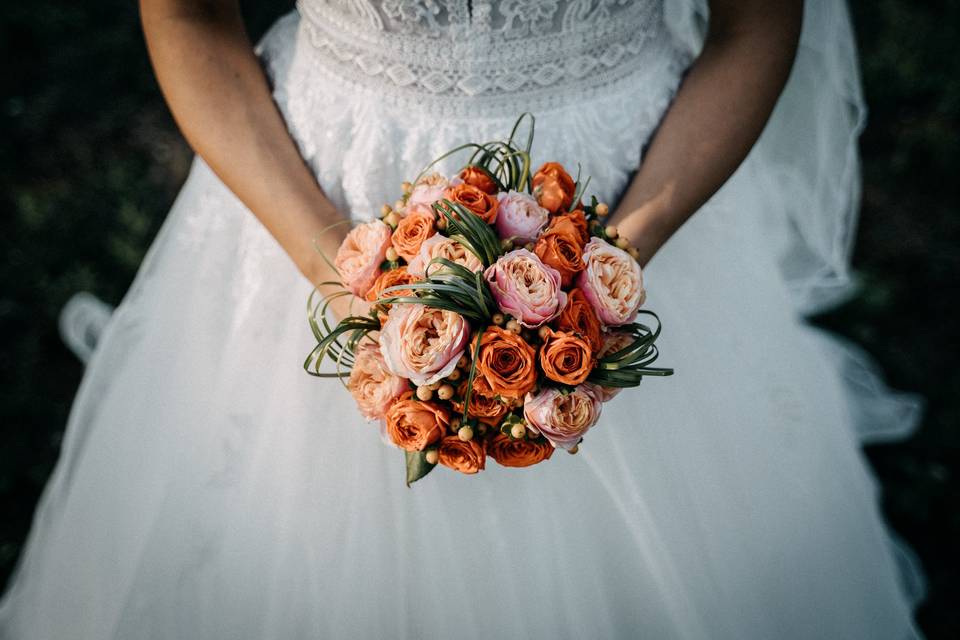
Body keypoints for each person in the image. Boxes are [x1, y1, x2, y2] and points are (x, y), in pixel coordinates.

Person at [0, 1, 924, 638]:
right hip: (324, 185)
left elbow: (757, 26)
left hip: (634, 181)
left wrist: (611, 267)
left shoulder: (616, 251)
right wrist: (341, 271)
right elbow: (187, 17)